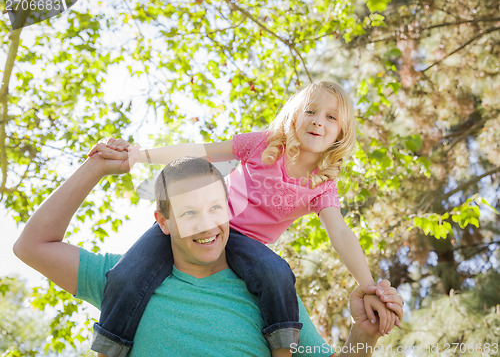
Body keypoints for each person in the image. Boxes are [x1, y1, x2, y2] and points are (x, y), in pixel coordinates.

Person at [91, 81, 401, 356]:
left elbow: (340, 234)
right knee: (125, 273)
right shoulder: (264, 144)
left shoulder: (322, 186)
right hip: (200, 223)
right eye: (311, 111)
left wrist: (369, 285)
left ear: (341, 132)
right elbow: (201, 152)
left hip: (245, 244)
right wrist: (141, 155)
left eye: (331, 117)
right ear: (295, 115)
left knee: (276, 272)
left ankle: (281, 351)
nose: (319, 121)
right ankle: (109, 348)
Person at [13, 147, 403, 357]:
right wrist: (95, 167)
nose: (206, 225)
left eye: (215, 208)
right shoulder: (124, 279)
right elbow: (32, 246)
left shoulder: (270, 292)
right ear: (163, 222)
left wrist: (362, 337)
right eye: (188, 213)